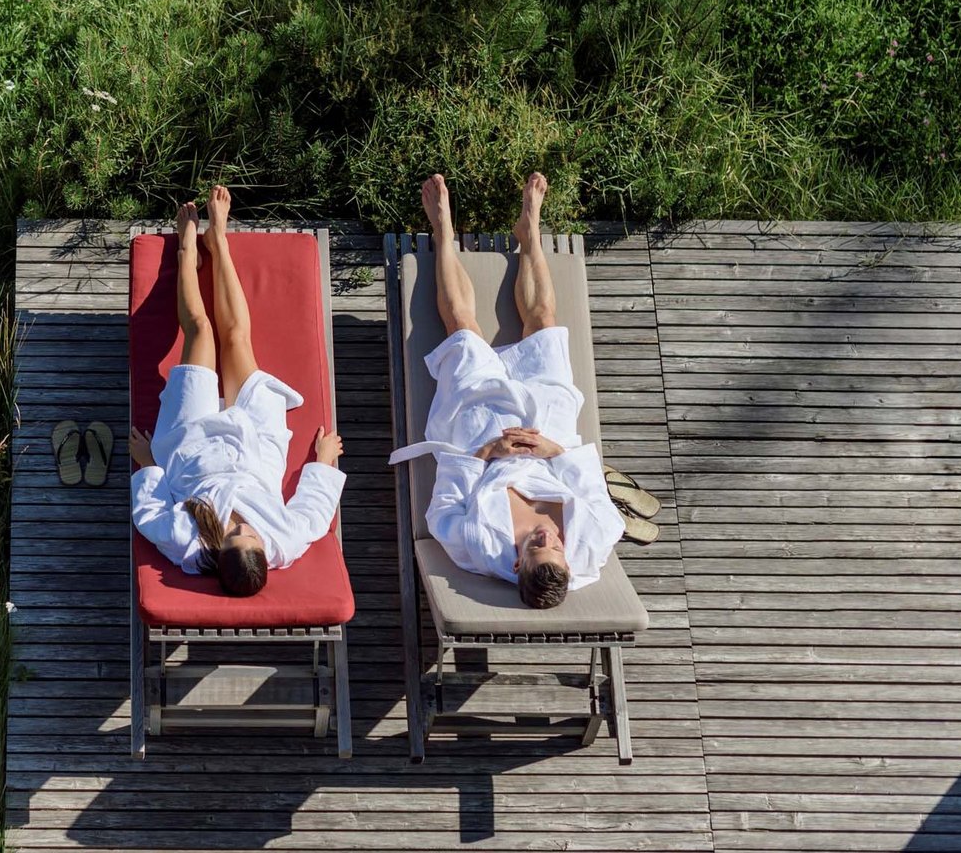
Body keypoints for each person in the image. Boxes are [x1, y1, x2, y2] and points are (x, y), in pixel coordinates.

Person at [388, 172, 623, 609]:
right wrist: (553, 450)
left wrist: (488, 452)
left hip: (480, 435)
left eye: (536, 547)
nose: (547, 536)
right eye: (555, 545)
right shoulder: (595, 541)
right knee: (544, 322)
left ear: (517, 565)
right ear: (570, 565)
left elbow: (442, 511)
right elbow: (594, 491)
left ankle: (443, 231)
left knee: (462, 327)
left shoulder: (479, 547)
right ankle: (529, 231)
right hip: (547, 434)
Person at [129, 185, 345, 597]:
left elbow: (149, 513)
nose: (245, 527)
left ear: (216, 549)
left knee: (201, 330)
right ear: (265, 550)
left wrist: (148, 465)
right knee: (237, 340)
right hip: (255, 449)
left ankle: (187, 254)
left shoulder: (187, 543)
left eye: (235, 534)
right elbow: (315, 514)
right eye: (254, 536)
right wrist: (322, 463)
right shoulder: (283, 542)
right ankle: (219, 240)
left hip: (191, 446)